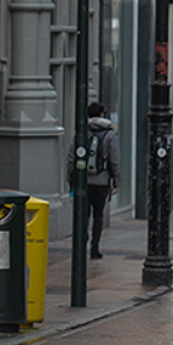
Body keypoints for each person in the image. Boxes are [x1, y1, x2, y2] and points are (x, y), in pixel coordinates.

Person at [65, 101, 121, 260]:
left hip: (84, 182)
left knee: (84, 214)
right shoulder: (109, 134)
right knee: (98, 215)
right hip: (102, 182)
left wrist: (71, 179)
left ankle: (82, 242)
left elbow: (71, 158)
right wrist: (116, 181)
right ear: (102, 113)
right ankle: (95, 248)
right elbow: (114, 160)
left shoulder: (82, 132)